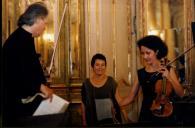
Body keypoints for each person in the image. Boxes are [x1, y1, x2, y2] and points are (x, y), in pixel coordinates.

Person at [2, 2, 53, 126]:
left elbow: (29, 70)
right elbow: (17, 76)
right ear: (37, 19)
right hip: (17, 111)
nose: (45, 26)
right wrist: (40, 87)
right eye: (45, 22)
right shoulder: (17, 41)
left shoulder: (26, 38)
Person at [116, 35, 184, 125]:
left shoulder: (168, 69)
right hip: (146, 115)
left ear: (156, 51)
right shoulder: (141, 73)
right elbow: (130, 97)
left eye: (148, 53)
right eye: (142, 53)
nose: (145, 56)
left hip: (166, 114)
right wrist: (116, 106)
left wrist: (170, 78)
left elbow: (181, 94)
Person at [81, 53, 121, 126]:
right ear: (92, 66)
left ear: (105, 66)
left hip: (109, 122)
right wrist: (84, 121)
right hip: (92, 121)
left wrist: (132, 96)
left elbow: (119, 101)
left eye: (103, 65)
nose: (100, 67)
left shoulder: (111, 82)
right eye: (97, 65)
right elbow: (83, 104)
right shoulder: (86, 84)